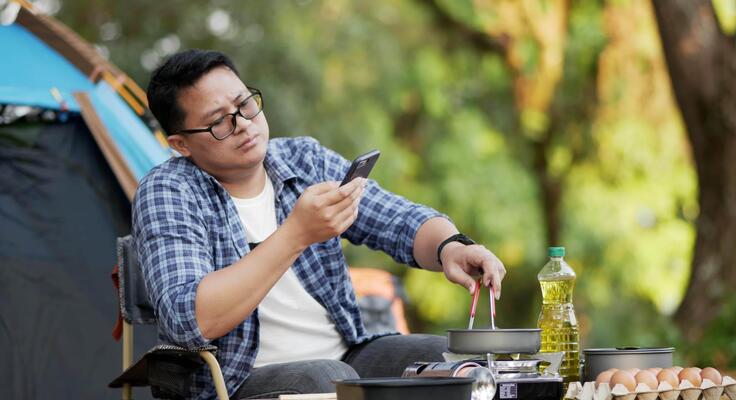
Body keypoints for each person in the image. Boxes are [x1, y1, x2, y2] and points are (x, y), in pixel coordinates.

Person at [133, 49, 506, 400]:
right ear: (181, 144)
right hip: (233, 379)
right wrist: (296, 233)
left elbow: (397, 219)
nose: (244, 124)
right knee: (327, 381)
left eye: (245, 104)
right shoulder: (169, 190)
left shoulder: (303, 160)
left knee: (447, 359)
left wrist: (451, 246)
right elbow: (192, 320)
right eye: (218, 122)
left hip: (347, 355)